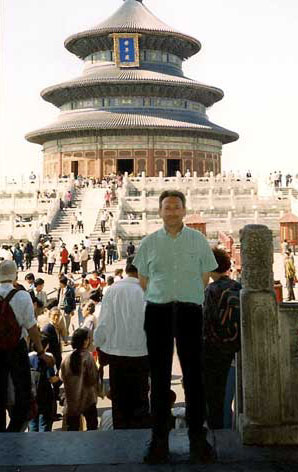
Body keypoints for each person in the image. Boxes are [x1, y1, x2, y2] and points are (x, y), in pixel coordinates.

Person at [134, 190, 217, 464]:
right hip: (157, 310)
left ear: (184, 210)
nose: (171, 211)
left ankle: (198, 439)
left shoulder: (198, 240)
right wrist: (164, 295)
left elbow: (205, 275)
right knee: (158, 378)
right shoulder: (149, 243)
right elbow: (143, 280)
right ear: (159, 212)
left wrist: (186, 293)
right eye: (166, 207)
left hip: (189, 310)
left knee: (194, 375)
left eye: (176, 207)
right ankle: (159, 441)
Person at [94, 257, 150, 430]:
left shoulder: (112, 290)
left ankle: (121, 444)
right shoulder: (148, 290)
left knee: (120, 403)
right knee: (140, 401)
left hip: (117, 356)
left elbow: (103, 324)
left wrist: (98, 343)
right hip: (142, 354)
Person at [0, 260, 54, 432]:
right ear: (15, 275)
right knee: (23, 396)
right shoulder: (21, 296)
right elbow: (31, 327)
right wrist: (40, 351)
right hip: (16, 348)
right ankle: (14, 433)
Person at [203, 247, 241, 429]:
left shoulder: (211, 291)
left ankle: (218, 439)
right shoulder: (237, 287)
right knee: (231, 399)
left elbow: (206, 323)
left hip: (214, 353)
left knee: (216, 401)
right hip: (236, 349)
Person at [60, 328, 98, 431]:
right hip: (88, 400)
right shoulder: (88, 357)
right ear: (85, 341)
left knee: (73, 431)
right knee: (92, 429)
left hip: (71, 401)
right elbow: (93, 378)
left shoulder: (67, 358)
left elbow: (61, 376)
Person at [28, 334, 59, 432]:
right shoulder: (48, 357)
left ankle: (33, 445)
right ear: (46, 345)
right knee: (44, 423)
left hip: (30, 394)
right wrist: (59, 378)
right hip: (45, 394)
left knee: (32, 423)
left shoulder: (26, 357)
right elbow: (51, 378)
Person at [57, 276, 76, 344]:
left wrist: (73, 309)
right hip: (59, 308)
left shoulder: (70, 290)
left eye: (60, 283)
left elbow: (73, 300)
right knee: (59, 324)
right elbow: (58, 298)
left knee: (66, 325)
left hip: (67, 309)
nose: (59, 284)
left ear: (62, 283)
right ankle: (63, 338)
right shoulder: (60, 289)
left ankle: (65, 339)